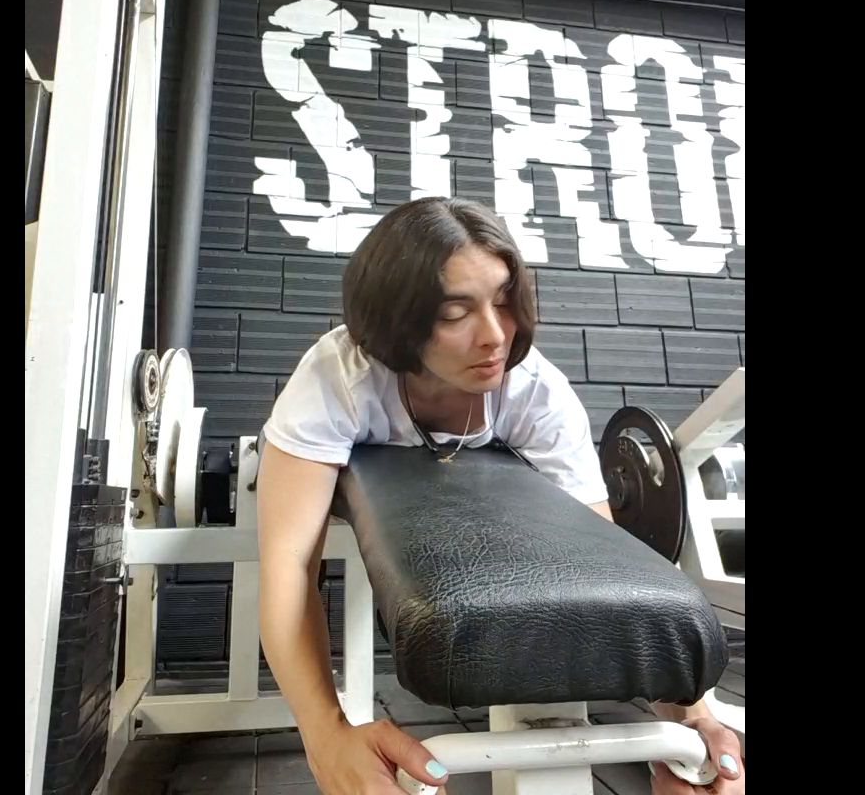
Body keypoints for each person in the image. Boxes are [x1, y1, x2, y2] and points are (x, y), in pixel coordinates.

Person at [255, 197, 744, 794]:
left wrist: (691, 723)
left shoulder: (534, 390)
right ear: (397, 317)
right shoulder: (338, 379)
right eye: (455, 312)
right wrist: (326, 735)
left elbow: (605, 565)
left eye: (505, 301)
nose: (494, 336)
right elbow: (288, 567)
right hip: (334, 475)